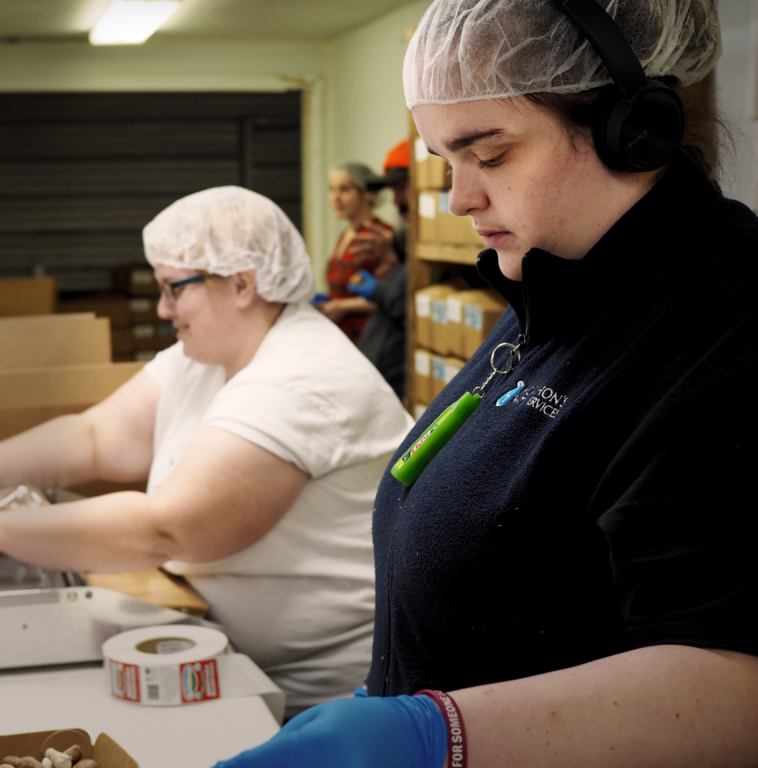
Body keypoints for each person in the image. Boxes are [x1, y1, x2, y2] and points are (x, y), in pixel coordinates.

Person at [216, 1, 758, 766]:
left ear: (635, 129)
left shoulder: (725, 327)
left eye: (490, 155)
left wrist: (441, 733)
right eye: (445, 160)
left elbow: (736, 690)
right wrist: (403, 684)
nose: (456, 198)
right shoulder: (555, 285)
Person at [0, 186, 414, 715]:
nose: (161, 308)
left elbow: (169, 528)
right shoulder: (208, 353)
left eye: (174, 288)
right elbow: (94, 436)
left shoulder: (299, 380)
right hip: (230, 661)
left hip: (318, 704)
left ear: (243, 284)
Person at [347, 140, 413, 400]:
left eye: (401, 188)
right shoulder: (401, 243)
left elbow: (412, 310)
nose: (396, 200)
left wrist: (379, 291)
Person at [317, 163, 396, 344]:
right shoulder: (344, 235)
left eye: (344, 189)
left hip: (370, 340)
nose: (336, 198)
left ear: (367, 193)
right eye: (332, 189)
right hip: (342, 340)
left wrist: (343, 306)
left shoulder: (380, 236)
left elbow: (393, 297)